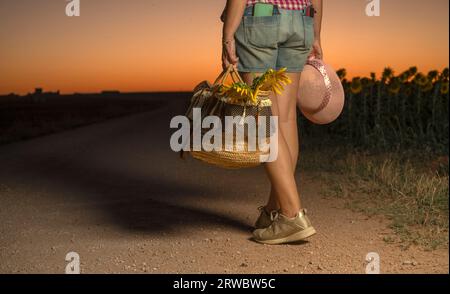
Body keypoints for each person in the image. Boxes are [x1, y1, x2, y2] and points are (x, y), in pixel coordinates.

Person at [221, 0, 323, 244]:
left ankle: (291, 214)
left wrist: (227, 35)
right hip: (302, 18)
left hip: (261, 18)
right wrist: (316, 33)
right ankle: (272, 211)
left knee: (262, 116)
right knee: (285, 117)